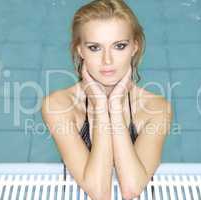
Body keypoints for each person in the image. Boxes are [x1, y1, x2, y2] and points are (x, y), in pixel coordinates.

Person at [41, 0, 173, 199]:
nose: (107, 60)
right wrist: (101, 107)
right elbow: (100, 192)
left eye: (119, 46)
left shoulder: (156, 108)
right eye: (95, 47)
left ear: (134, 47)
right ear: (80, 50)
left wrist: (116, 107)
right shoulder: (59, 106)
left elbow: (132, 189)